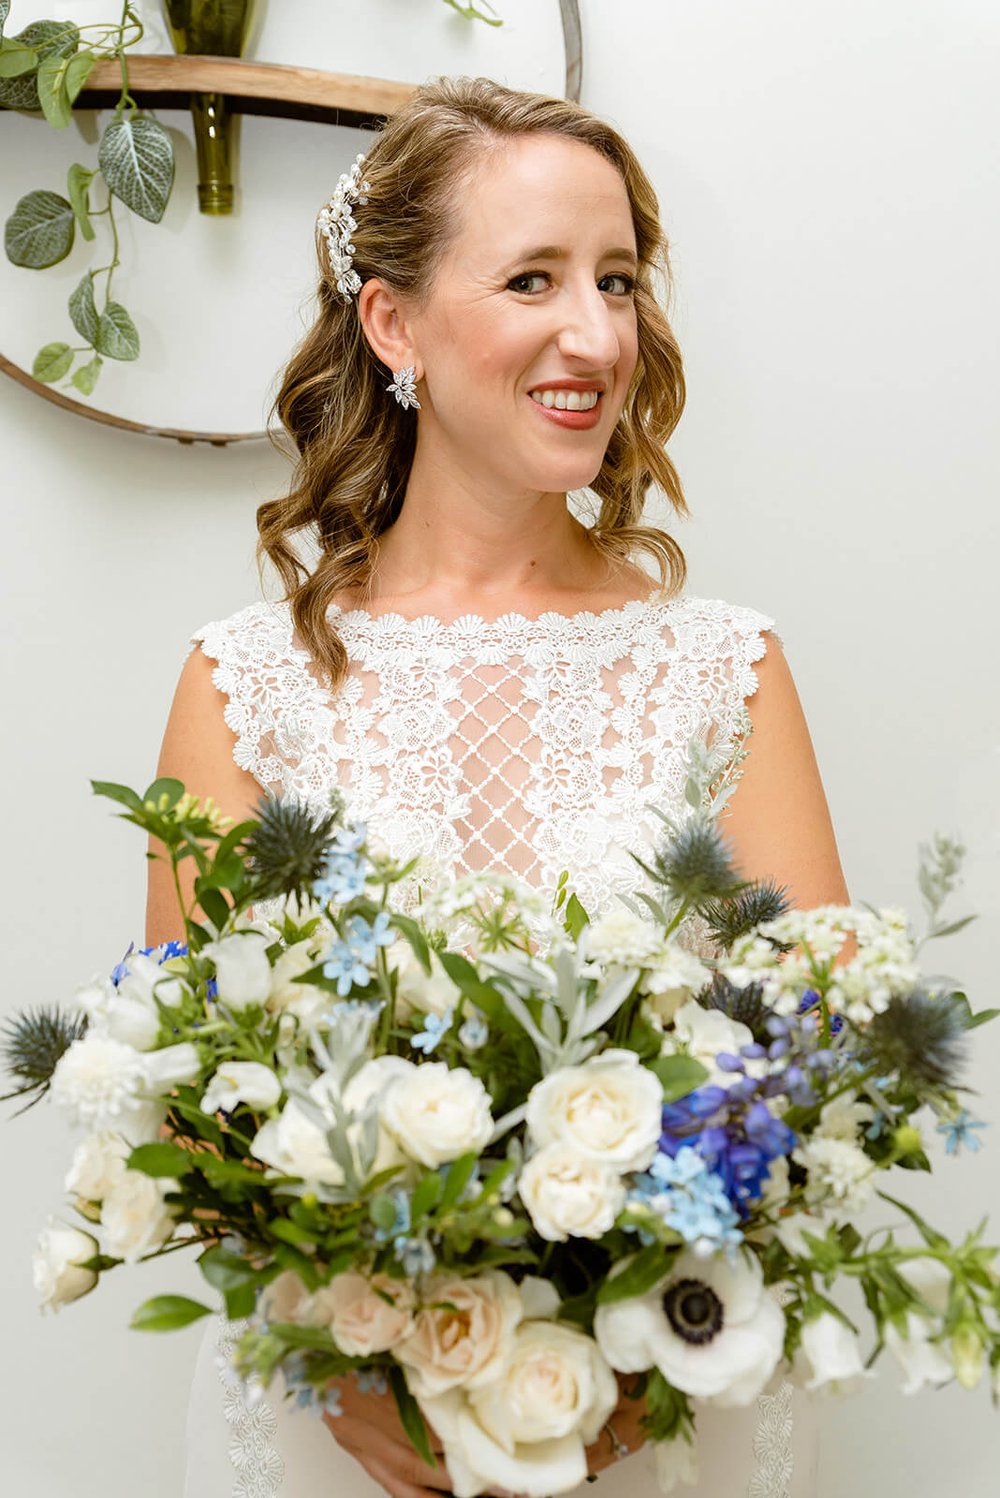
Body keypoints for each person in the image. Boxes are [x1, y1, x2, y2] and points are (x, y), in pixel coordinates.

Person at [148, 75, 847, 1498]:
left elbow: (818, 1077)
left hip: (647, 1431)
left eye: (619, 280)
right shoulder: (246, 687)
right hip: (342, 1438)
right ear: (392, 322)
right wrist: (355, 1369)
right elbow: (185, 1105)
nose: (595, 334)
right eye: (532, 277)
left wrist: (628, 1369)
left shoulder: (723, 672)